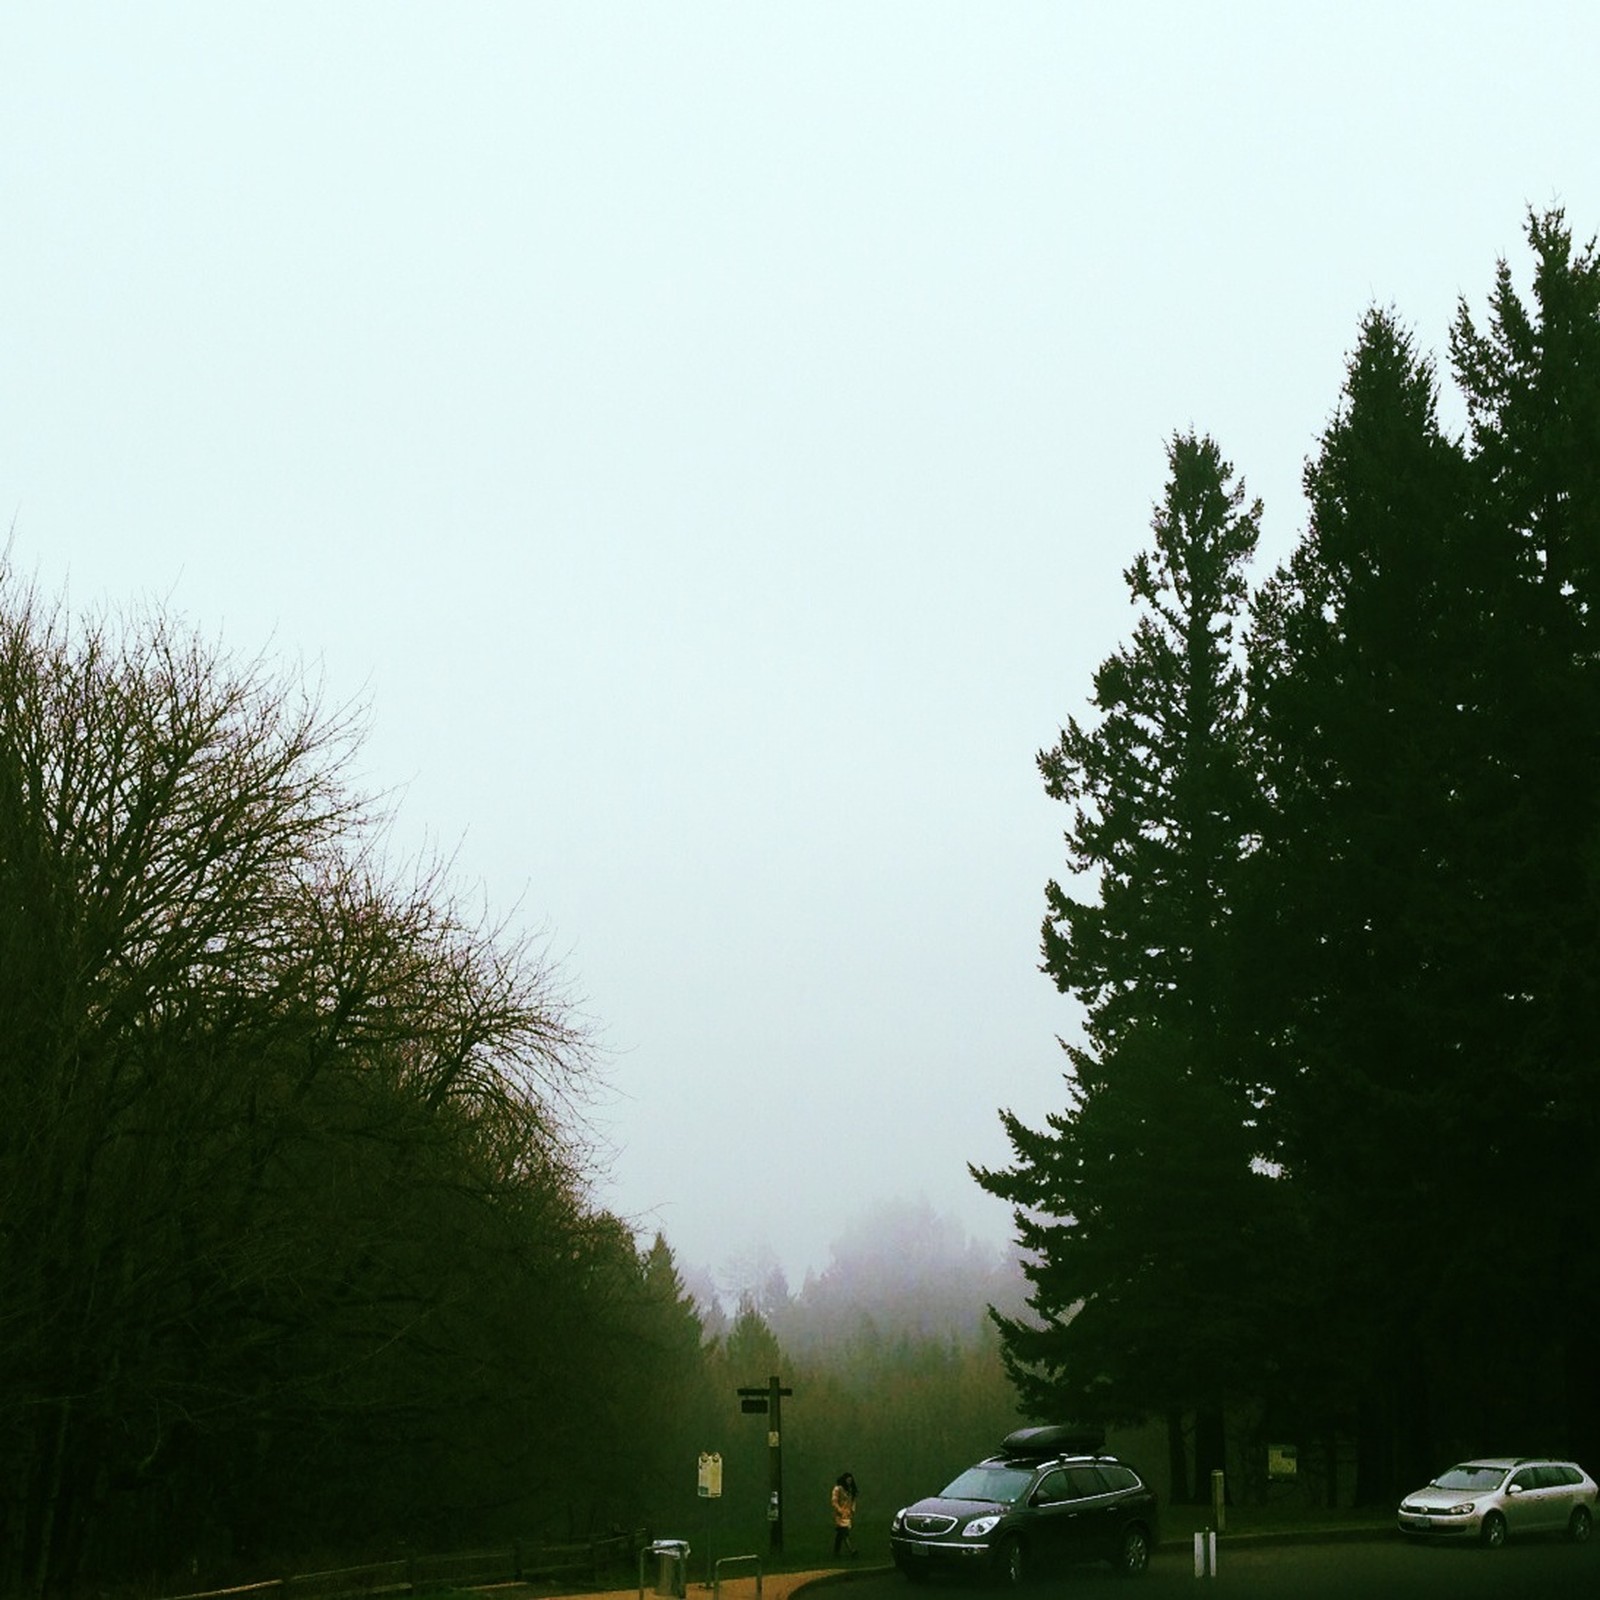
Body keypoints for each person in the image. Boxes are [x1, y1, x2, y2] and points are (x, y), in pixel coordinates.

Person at [830, 1471, 859, 1557]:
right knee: (844, 1533)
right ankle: (851, 1550)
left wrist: (852, 1509)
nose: (849, 1482)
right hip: (840, 1515)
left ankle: (836, 1552)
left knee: (840, 1534)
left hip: (847, 1514)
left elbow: (853, 1501)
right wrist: (839, 1510)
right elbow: (834, 1501)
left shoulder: (850, 1490)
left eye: (850, 1480)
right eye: (848, 1480)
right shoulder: (838, 1489)